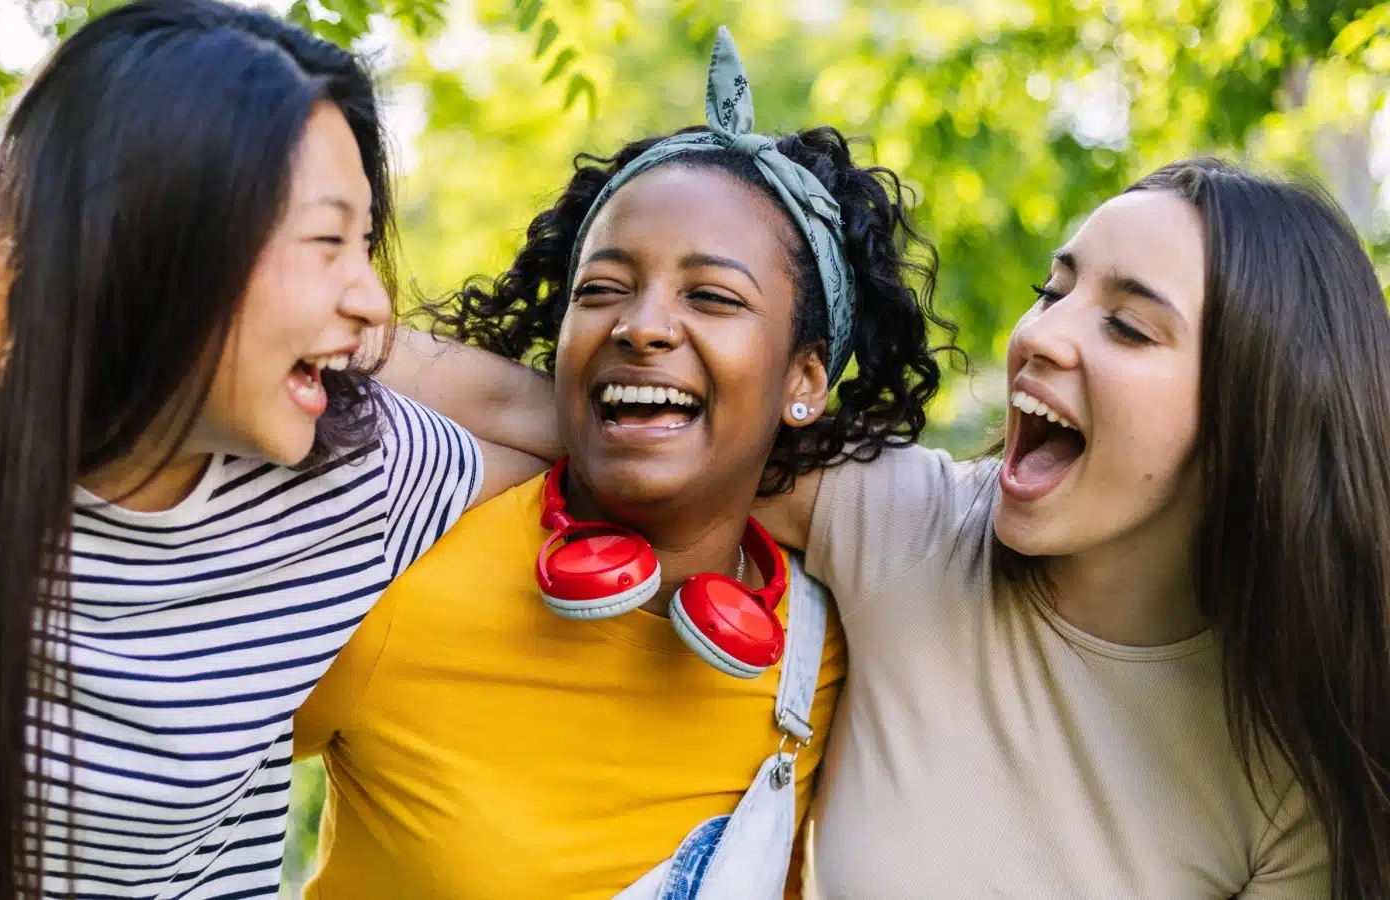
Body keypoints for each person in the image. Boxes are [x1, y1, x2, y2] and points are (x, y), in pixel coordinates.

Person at [370, 158, 1388, 897]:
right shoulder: (911, 527)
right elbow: (600, 416)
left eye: (1125, 324)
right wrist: (270, 326)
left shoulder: (1298, 771)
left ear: (1259, 413)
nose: (1041, 335)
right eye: (1054, 289)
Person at [0, 2, 540, 897]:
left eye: (365, 244)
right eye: (327, 241)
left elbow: (600, 442)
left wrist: (322, 339)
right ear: (157, 230)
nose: (374, 302)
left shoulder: (355, 479)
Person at [289, 29, 952, 900]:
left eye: (712, 296)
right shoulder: (403, 567)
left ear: (804, 379)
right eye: (600, 290)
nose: (640, 326)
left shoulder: (825, 654)